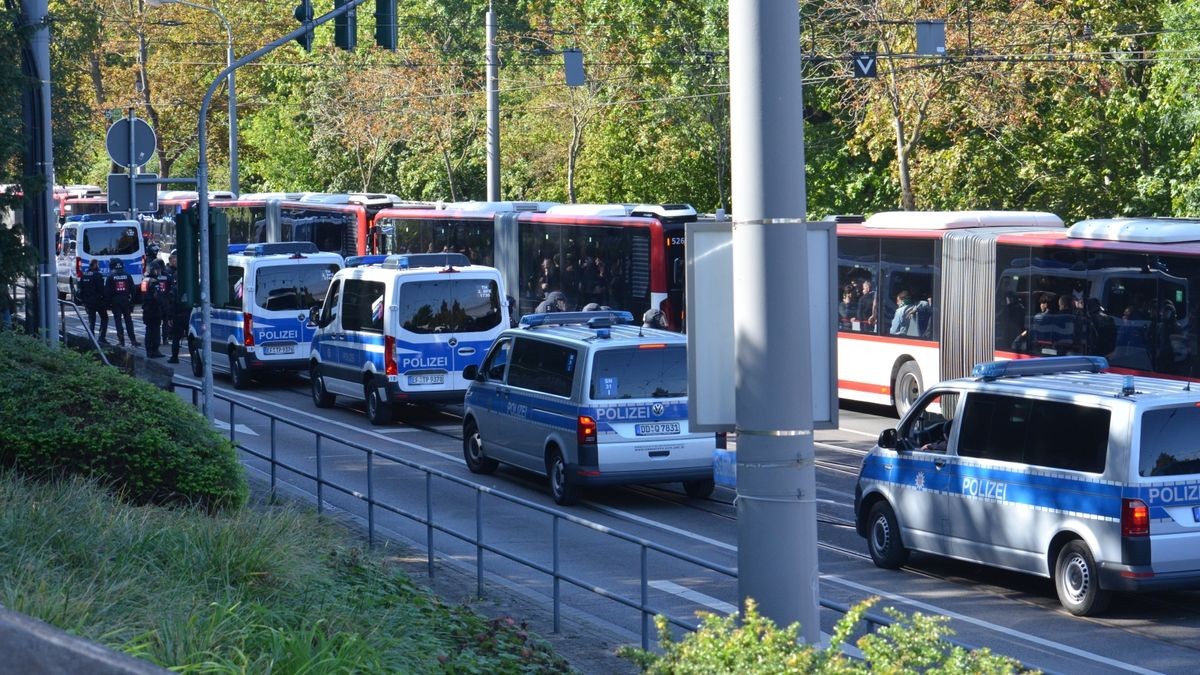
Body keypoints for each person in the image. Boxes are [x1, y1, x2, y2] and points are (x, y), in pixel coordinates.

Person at [105, 258, 138, 347]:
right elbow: (133, 290)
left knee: (118, 321)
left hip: (115, 301)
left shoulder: (110, 276)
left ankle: (121, 341)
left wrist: (108, 304)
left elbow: (107, 292)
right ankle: (133, 340)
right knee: (128, 320)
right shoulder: (127, 275)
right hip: (126, 300)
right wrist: (132, 302)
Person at [167, 252, 191, 363]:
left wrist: (170, 317)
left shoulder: (175, 289)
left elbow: (172, 302)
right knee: (191, 337)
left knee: (176, 337)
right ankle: (194, 358)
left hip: (178, 315)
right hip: (189, 314)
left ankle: (174, 357)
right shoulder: (191, 286)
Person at [79, 258, 109, 343]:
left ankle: (91, 338)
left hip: (88, 302)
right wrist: (105, 299)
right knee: (104, 318)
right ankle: (101, 337)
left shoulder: (84, 274)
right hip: (98, 301)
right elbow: (101, 289)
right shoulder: (97, 275)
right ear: (95, 265)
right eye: (98, 264)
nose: (98, 266)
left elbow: (80, 288)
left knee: (91, 320)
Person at [141, 264, 165, 357]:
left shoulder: (144, 280)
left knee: (148, 330)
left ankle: (148, 349)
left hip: (146, 308)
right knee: (155, 330)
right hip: (154, 309)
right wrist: (163, 305)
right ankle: (155, 350)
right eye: (157, 270)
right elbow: (157, 297)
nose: (159, 272)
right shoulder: (154, 282)